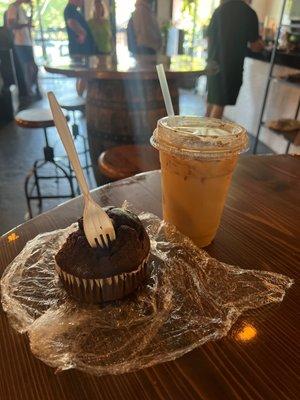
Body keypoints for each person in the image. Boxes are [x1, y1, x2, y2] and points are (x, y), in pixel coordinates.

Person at [206, 0, 264, 119]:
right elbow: (255, 46)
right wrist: (262, 44)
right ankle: (208, 137)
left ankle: (201, 135)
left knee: (212, 100)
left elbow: (209, 37)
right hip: (231, 65)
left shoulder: (219, 10)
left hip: (212, 62)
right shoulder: (249, 13)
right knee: (219, 103)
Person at [6, 0, 41, 98]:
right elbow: (10, 25)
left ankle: (32, 90)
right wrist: (25, 25)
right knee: (28, 68)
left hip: (27, 41)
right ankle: (29, 92)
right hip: (20, 42)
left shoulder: (22, 9)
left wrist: (32, 11)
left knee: (33, 68)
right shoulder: (13, 8)